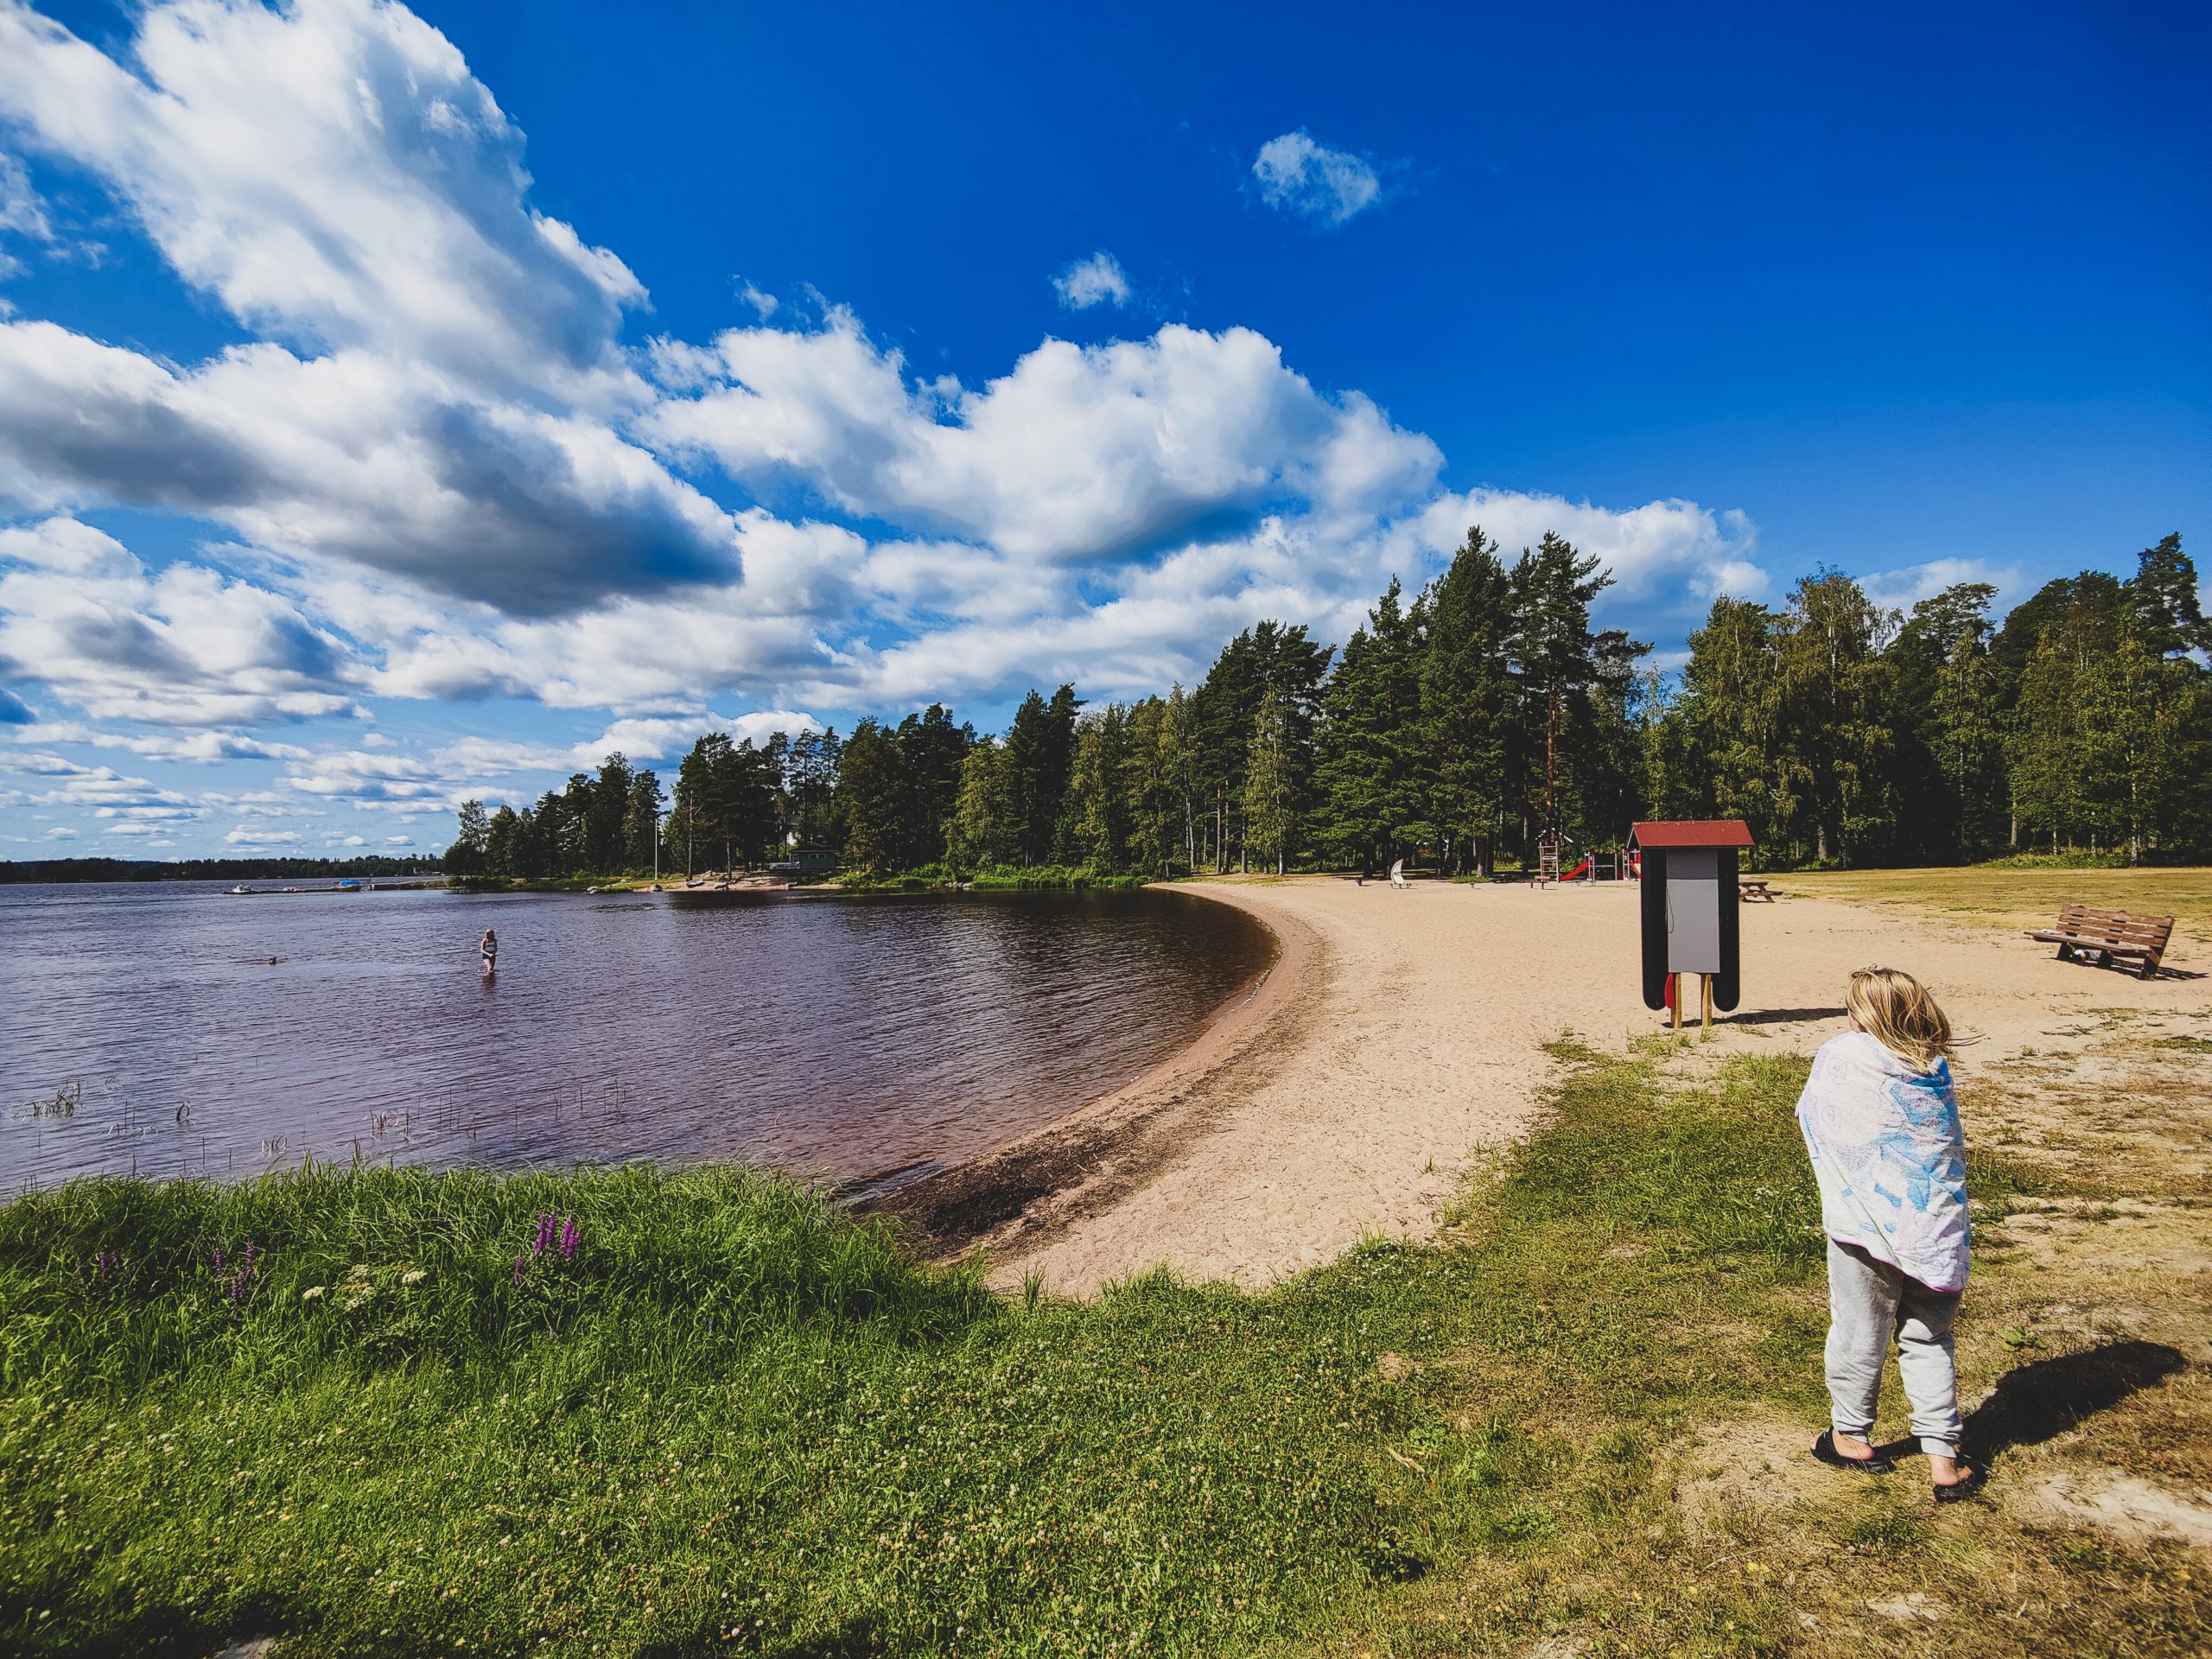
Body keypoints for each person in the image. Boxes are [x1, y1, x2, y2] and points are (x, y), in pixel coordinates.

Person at [1796, 965, 1983, 1502]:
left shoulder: (1844, 1056)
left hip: (1866, 1228)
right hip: (1935, 1229)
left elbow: (1815, 1116)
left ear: (1866, 1015)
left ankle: (1851, 1436)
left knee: (1860, 1333)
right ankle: (1944, 1461)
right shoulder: (1934, 1069)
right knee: (1930, 1339)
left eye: (1851, 1007)